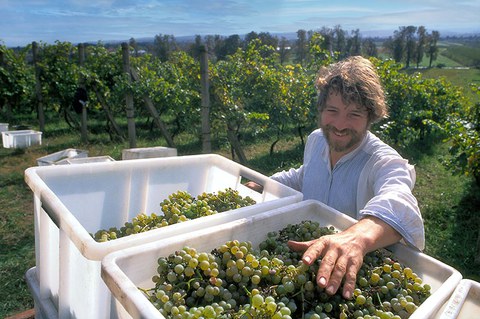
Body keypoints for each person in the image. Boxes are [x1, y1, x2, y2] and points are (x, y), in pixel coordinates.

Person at [247, 56, 425, 300]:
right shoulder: (316, 140)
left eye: (354, 114)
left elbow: (398, 201)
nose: (340, 124)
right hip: (305, 258)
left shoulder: (382, 160)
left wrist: (357, 237)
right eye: (333, 111)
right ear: (321, 111)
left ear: (370, 117)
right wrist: (263, 183)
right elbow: (303, 176)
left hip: (350, 275)